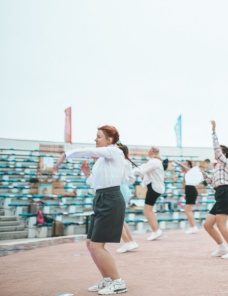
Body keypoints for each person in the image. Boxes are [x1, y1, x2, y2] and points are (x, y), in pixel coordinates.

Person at [54, 125, 128, 295]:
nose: (95, 139)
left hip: (111, 199)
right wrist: (87, 173)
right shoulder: (102, 160)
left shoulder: (114, 151)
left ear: (109, 140)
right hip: (101, 198)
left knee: (96, 245)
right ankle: (108, 279)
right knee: (90, 244)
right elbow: (96, 185)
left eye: (99, 136)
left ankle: (118, 282)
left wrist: (66, 155)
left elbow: (87, 151)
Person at [202, 120, 228, 259]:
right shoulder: (217, 168)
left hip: (225, 193)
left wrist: (213, 131)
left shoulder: (225, 162)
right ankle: (222, 248)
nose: (215, 153)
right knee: (207, 224)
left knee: (220, 224)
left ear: (223, 153)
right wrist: (204, 175)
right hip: (220, 193)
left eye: (219, 151)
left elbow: (217, 150)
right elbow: (213, 184)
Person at [133, 146, 165, 241]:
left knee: (147, 210)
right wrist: (139, 169)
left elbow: (142, 171)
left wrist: (134, 170)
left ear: (152, 151)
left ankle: (156, 231)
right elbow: (143, 170)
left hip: (154, 188)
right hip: (154, 187)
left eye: (149, 150)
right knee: (149, 210)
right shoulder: (154, 161)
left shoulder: (154, 161)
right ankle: (156, 230)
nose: (148, 152)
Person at [116, 145, 139, 254]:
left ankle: (127, 242)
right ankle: (131, 241)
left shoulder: (120, 162)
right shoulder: (127, 162)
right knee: (120, 218)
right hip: (125, 187)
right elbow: (131, 179)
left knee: (116, 219)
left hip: (120, 188)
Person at [174, 160, 203, 234]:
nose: (184, 165)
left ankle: (193, 227)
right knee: (188, 210)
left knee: (187, 210)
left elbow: (184, 167)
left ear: (189, 165)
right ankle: (193, 226)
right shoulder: (187, 173)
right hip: (189, 191)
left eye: (185, 164)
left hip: (191, 190)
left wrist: (177, 162)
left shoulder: (190, 170)